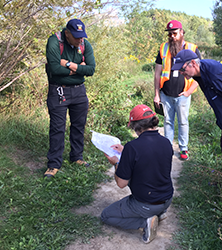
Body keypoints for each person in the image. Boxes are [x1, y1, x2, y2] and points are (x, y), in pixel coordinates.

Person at [101, 104, 173, 244]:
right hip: (167, 198)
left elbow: (121, 183)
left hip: (146, 203)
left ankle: (146, 221)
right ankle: (159, 213)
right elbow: (149, 156)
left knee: (106, 216)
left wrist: (116, 163)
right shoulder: (166, 142)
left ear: (135, 126)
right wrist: (125, 152)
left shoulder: (132, 147)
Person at [172, 50, 222, 159]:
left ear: (193, 63)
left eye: (182, 69)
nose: (181, 73)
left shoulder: (215, 75)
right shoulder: (199, 72)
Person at [44, 19, 96, 178]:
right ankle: (53, 164)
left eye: (82, 36)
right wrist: (79, 68)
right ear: (67, 34)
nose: (80, 40)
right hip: (59, 91)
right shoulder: (54, 41)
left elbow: (91, 69)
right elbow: (53, 68)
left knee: (79, 126)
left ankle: (77, 157)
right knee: (57, 128)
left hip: (79, 92)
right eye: (76, 37)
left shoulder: (84, 45)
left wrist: (68, 65)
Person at [154, 20, 201, 161]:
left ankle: (183, 149)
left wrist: (188, 92)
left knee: (183, 122)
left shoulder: (192, 48)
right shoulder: (163, 48)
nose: (172, 36)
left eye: (174, 33)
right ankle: (167, 148)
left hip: (183, 94)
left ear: (182, 32)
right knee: (168, 122)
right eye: (170, 34)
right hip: (166, 94)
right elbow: (157, 73)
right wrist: (157, 94)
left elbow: (200, 72)